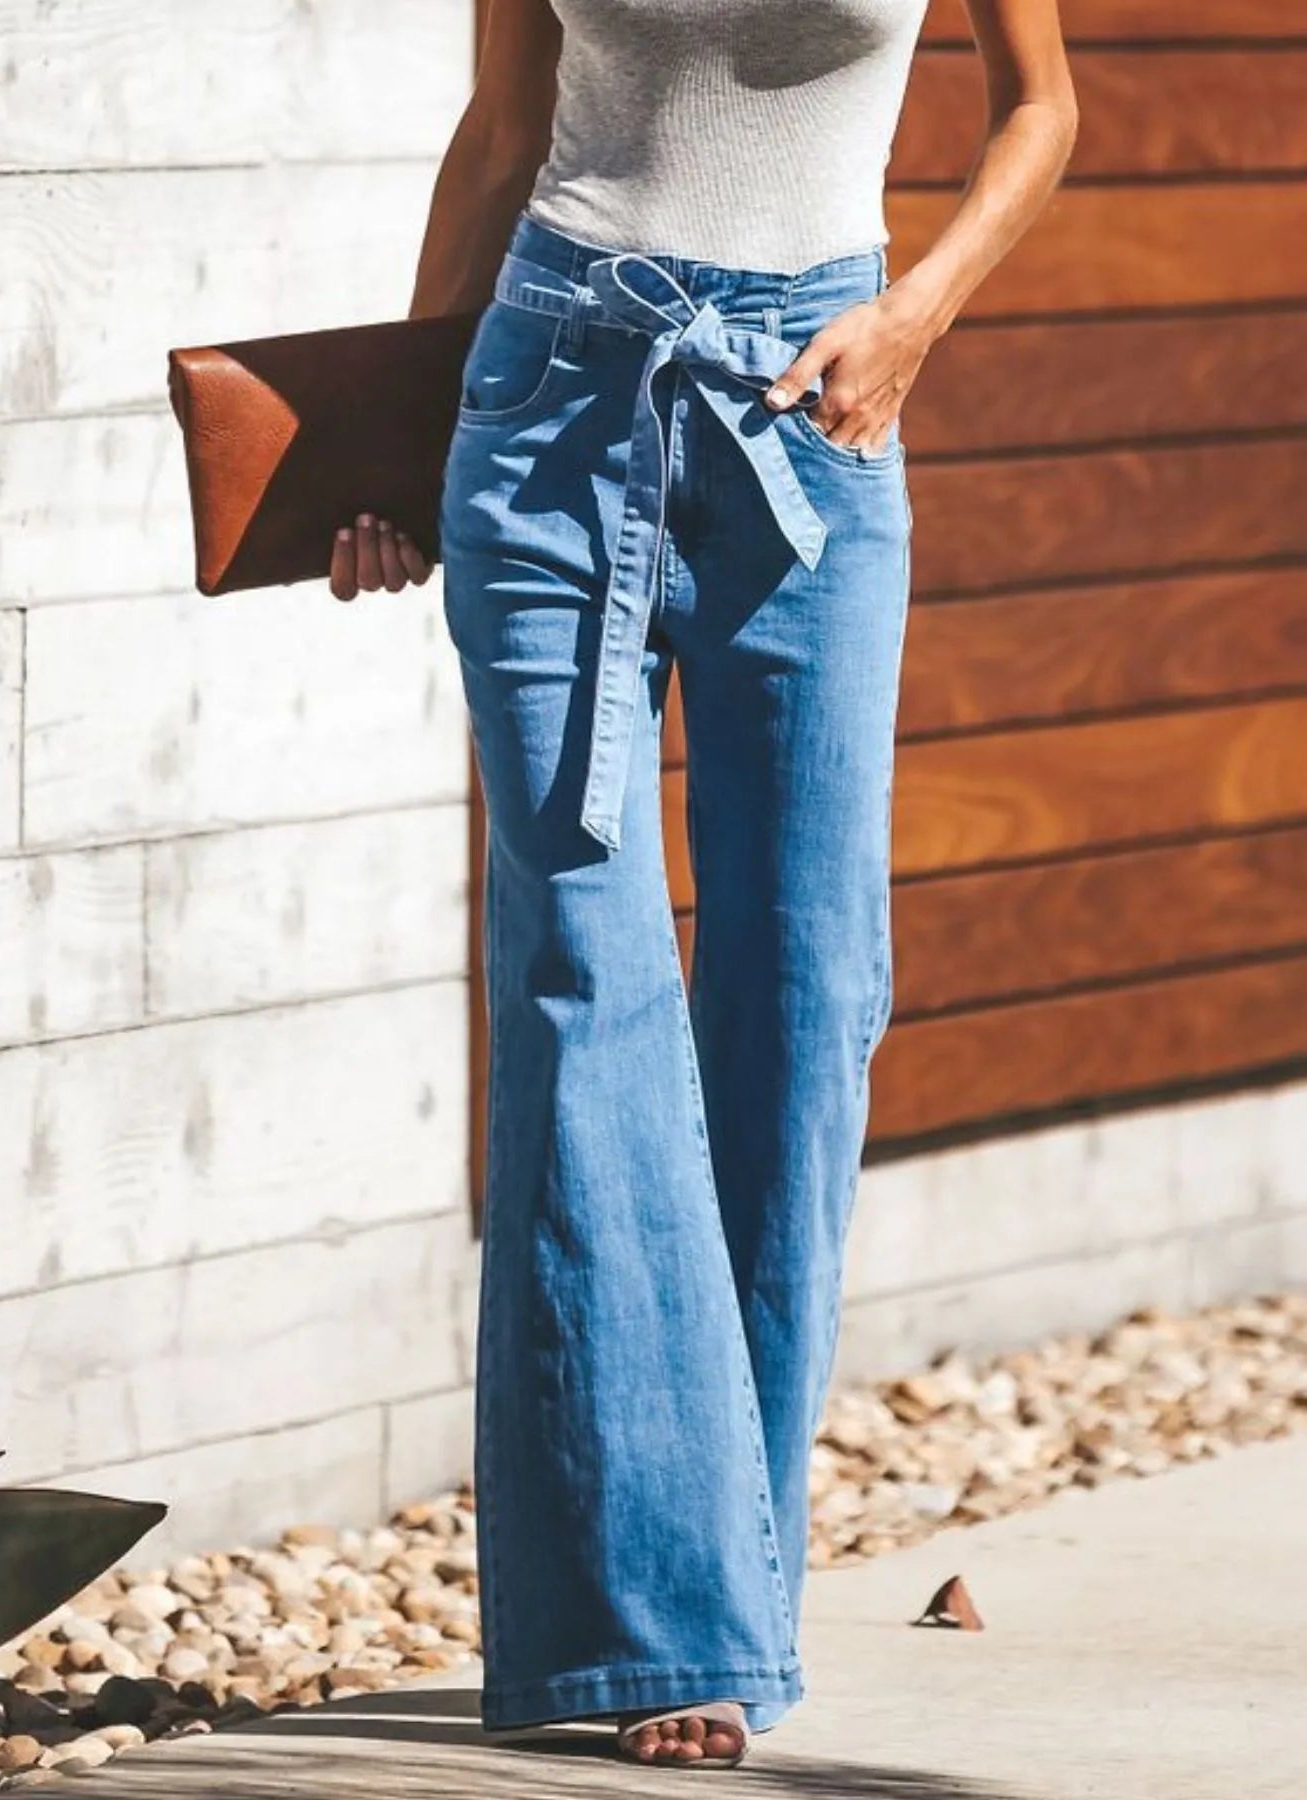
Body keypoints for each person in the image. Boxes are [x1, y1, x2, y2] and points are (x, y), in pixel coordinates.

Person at [330, 0, 1077, 1770]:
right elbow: (503, 133)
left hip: (820, 414)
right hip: (550, 407)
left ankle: (726, 1586)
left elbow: (1040, 111)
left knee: (807, 998)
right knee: (585, 987)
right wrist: (386, 441)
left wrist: (908, 321)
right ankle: (664, 1626)